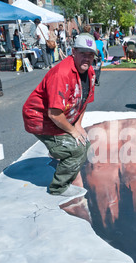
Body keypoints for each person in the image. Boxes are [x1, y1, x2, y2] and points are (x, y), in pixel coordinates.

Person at [22, 34, 97, 196]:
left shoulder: (90, 71)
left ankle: (59, 151)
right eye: (83, 53)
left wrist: (77, 125)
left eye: (90, 54)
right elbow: (54, 114)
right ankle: (59, 187)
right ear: (73, 52)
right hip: (41, 118)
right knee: (76, 149)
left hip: (60, 116)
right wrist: (71, 131)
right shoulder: (62, 73)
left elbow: (84, 101)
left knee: (85, 143)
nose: (87, 58)